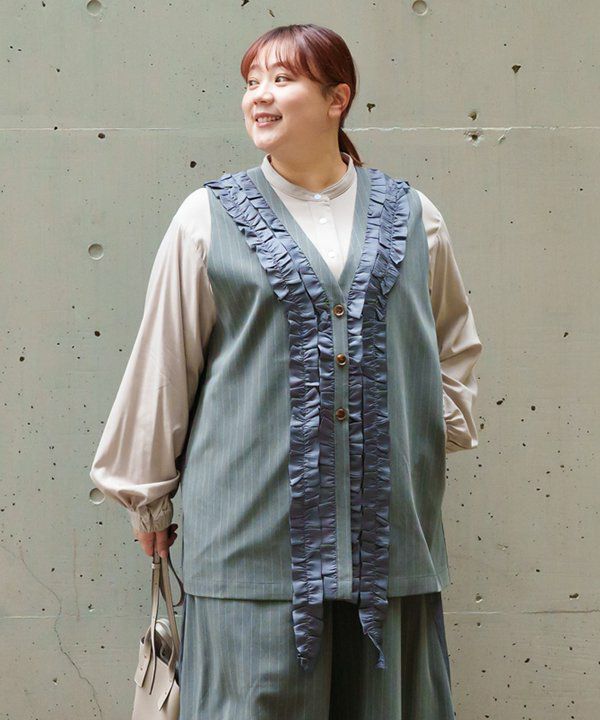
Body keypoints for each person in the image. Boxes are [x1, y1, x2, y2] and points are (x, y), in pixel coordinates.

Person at [90, 22, 482, 719]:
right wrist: (146, 496)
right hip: (249, 545)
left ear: (337, 98)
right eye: (252, 82)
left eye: (282, 79)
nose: (260, 96)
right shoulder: (206, 218)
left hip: (388, 546)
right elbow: (164, 365)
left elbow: (452, 342)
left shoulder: (413, 216)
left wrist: (423, 433)